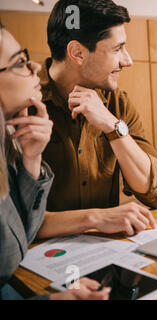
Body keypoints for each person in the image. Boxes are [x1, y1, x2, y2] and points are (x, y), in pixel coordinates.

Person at [36, 0, 157, 239]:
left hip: (103, 252)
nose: (127, 60)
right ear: (77, 53)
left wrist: (113, 127)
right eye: (117, 49)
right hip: (38, 260)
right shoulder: (21, 106)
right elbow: (16, 220)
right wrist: (95, 218)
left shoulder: (117, 103)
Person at [0, 21, 110, 300]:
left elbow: (19, 241)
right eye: (20, 62)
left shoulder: (9, 139)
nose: (35, 67)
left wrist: (32, 158)